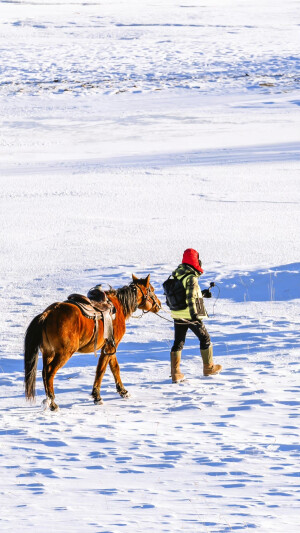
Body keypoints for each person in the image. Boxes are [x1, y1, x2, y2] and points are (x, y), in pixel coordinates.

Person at [170, 248, 222, 382]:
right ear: (195, 261)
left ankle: (175, 373)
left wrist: (202, 294)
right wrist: (195, 316)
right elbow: (190, 297)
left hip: (177, 314)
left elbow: (183, 294)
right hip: (190, 315)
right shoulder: (191, 277)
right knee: (205, 338)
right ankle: (208, 367)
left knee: (178, 343)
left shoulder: (177, 275)